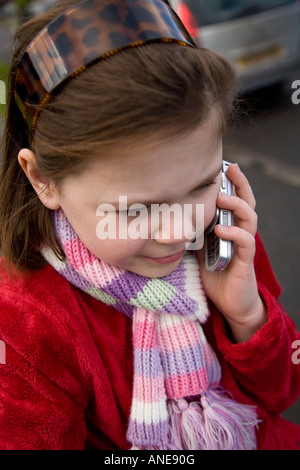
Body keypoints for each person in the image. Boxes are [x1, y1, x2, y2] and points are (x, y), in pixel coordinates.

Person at [0, 0, 299, 450]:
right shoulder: (27, 324)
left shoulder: (222, 241)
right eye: (134, 210)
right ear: (43, 179)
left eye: (201, 185)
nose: (180, 231)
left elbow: (283, 393)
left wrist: (249, 317)